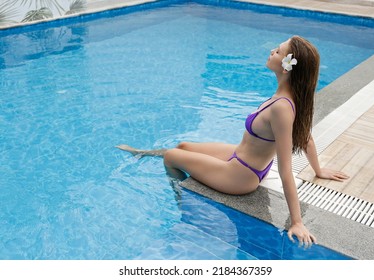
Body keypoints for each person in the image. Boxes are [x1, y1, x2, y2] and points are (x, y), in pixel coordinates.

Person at [117, 35, 349, 247]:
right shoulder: (288, 97)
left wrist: (297, 222)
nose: (271, 51)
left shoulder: (282, 108)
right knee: (182, 147)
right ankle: (144, 152)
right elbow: (306, 137)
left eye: (278, 51)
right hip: (242, 156)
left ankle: (184, 208)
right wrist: (318, 170)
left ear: (288, 66)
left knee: (171, 158)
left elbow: (287, 171)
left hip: (242, 175)